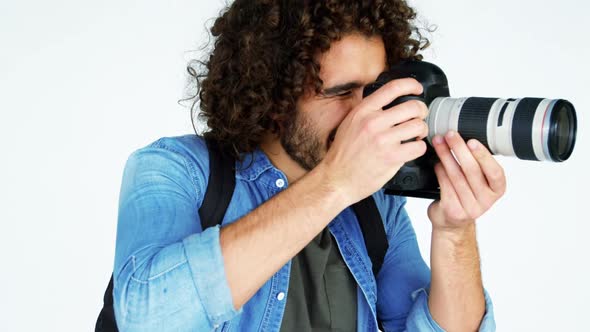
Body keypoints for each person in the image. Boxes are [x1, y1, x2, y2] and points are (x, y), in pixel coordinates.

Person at [112, 0, 504, 331]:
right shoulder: (176, 169)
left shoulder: (377, 205)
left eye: (373, 91)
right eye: (342, 93)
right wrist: (335, 183)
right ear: (273, 94)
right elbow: (145, 317)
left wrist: (455, 230)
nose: (366, 114)